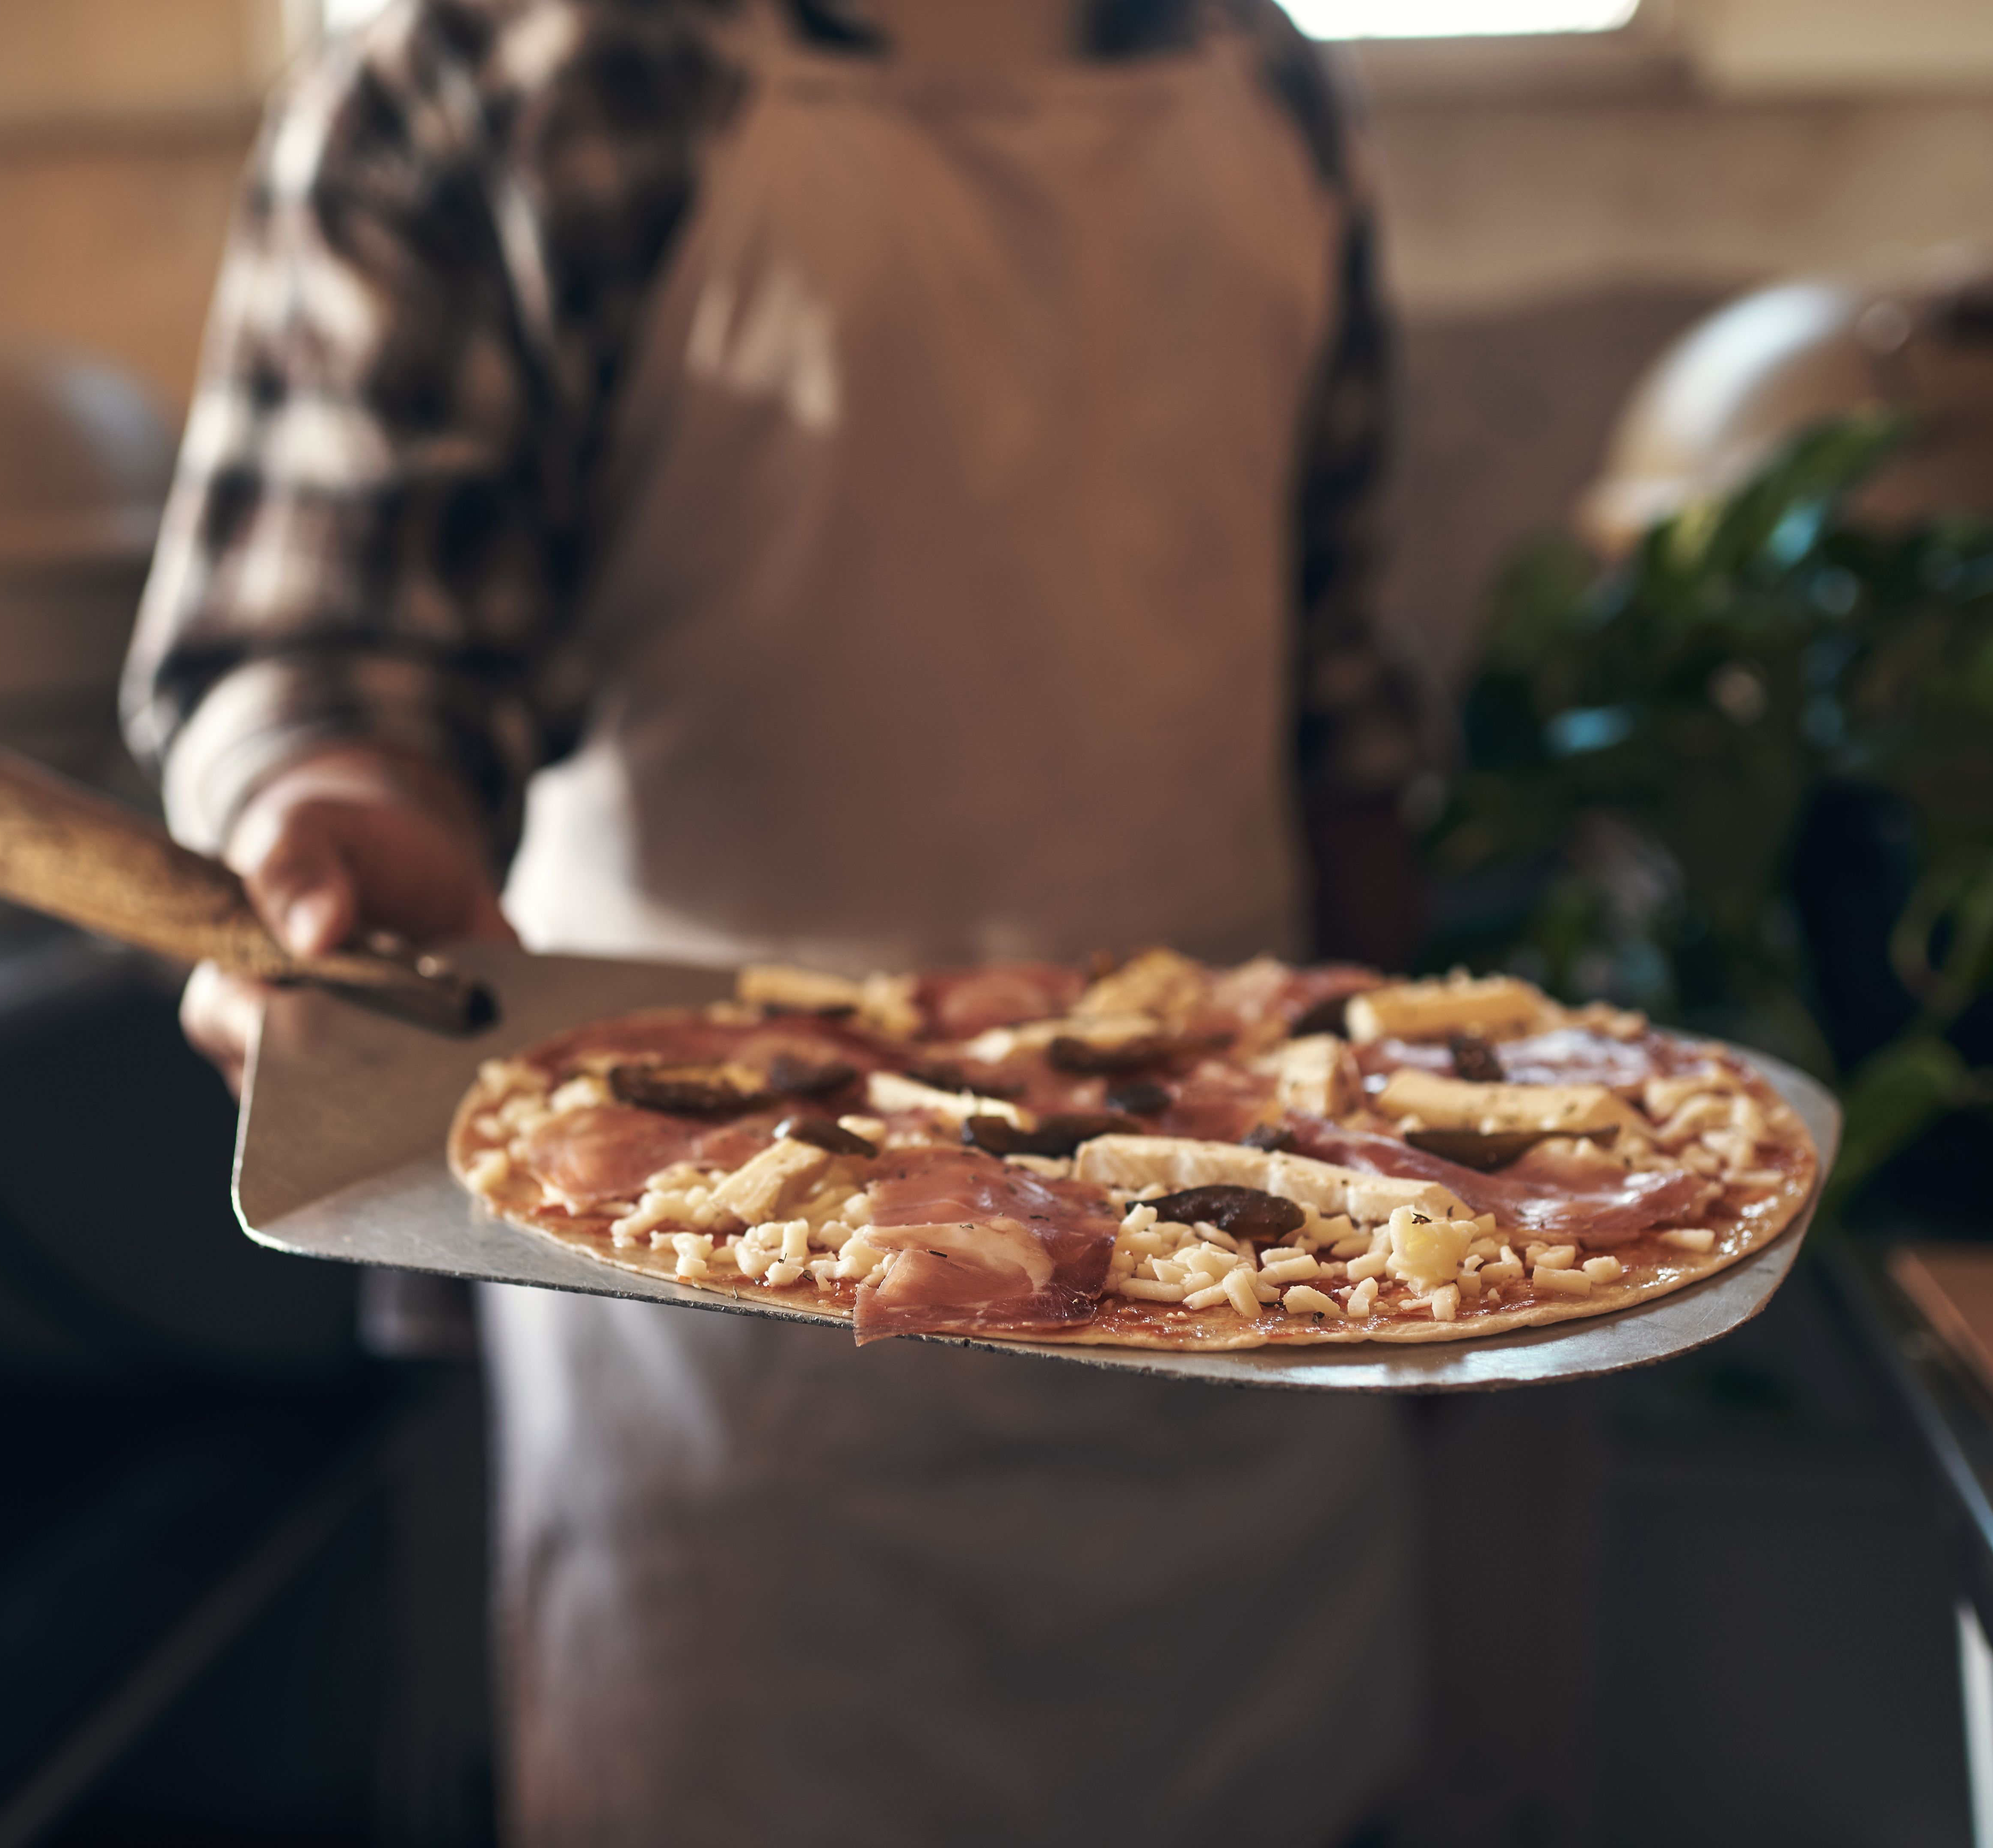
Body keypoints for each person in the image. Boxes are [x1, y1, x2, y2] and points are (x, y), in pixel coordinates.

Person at [125, 1, 1432, 1840]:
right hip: (741, 1344)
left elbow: (1334, 715)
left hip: (1249, 1324)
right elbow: (335, 647)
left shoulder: (1270, 74)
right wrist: (324, 825)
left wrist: (1437, 1232)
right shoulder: (512, 64)